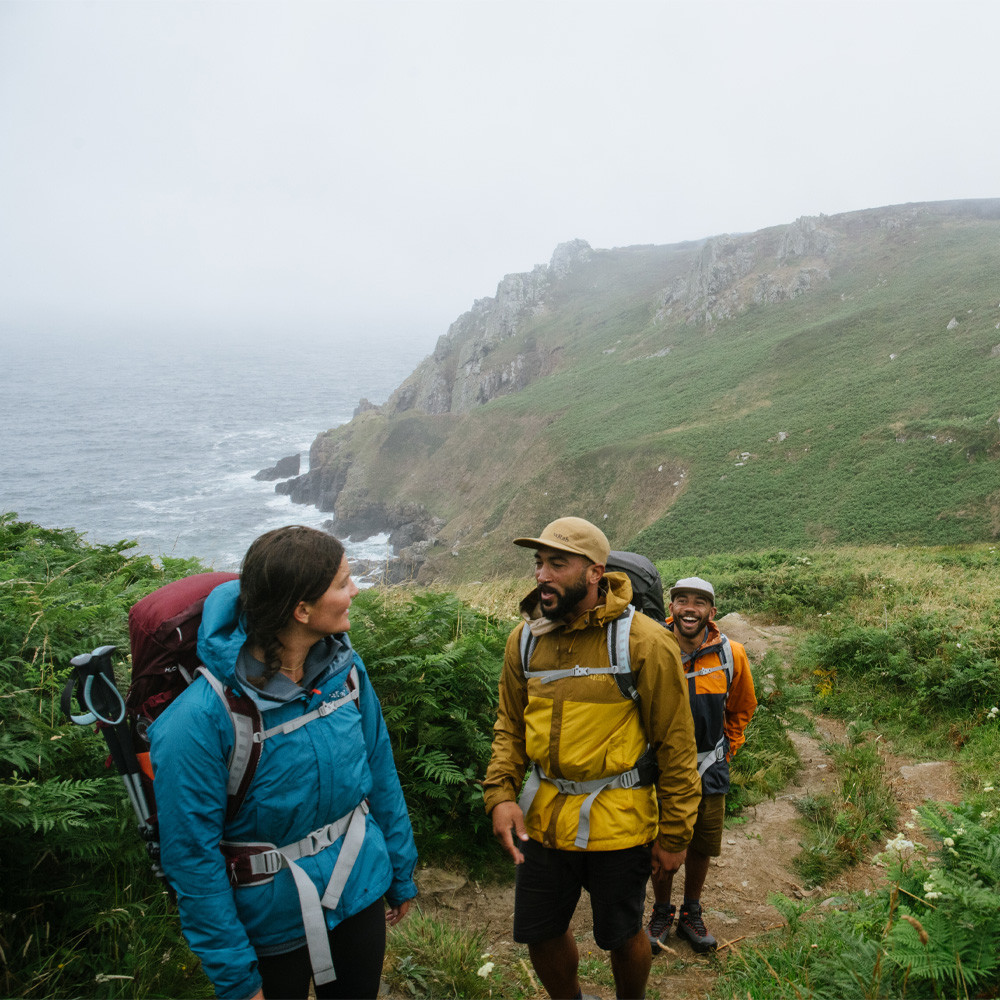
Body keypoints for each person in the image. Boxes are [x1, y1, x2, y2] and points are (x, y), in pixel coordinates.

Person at [149, 526, 418, 1000]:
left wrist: (399, 870)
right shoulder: (197, 720)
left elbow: (380, 772)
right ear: (301, 610)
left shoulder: (347, 674)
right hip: (268, 916)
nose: (355, 590)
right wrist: (236, 978)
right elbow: (192, 858)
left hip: (359, 883)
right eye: (343, 582)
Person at [483, 517, 701, 1000]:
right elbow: (510, 728)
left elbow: (676, 746)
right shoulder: (524, 641)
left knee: (622, 935)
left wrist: (675, 834)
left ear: (595, 572)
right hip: (542, 821)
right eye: (539, 563)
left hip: (620, 824)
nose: (542, 574)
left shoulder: (644, 641)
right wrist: (499, 793)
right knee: (540, 931)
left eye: (557, 563)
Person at [646, 576, 757, 954]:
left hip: (710, 765)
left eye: (698, 602)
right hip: (660, 768)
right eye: (681, 600)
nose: (689, 608)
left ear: (711, 611)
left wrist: (728, 749)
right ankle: (661, 911)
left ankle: (691, 912)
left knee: (701, 845)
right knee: (661, 841)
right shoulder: (651, 646)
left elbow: (742, 707)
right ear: (671, 607)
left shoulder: (731, 654)